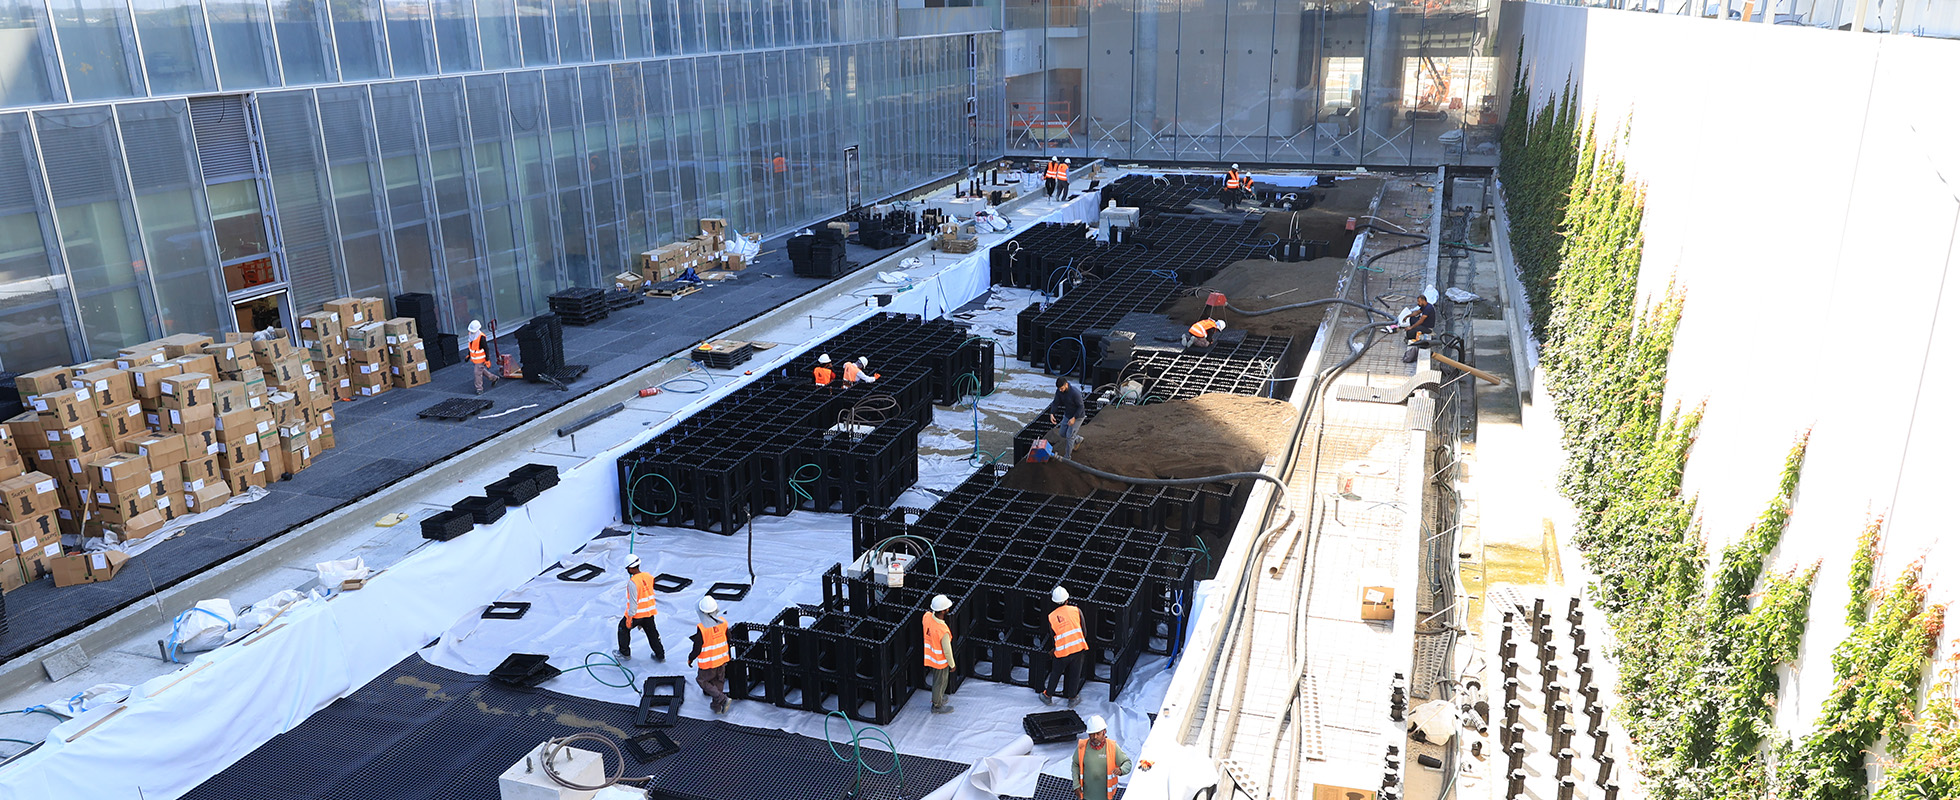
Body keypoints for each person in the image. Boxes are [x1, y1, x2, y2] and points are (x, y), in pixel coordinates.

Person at [1040, 585, 1089, 707]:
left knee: (1055, 673)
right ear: (1067, 599)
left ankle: (1047, 696)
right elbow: (1084, 630)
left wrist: (1054, 649)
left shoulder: (1051, 617)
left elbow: (1053, 636)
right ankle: (1072, 699)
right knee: (1075, 674)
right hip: (1078, 649)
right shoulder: (1076, 610)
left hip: (1061, 652)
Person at [615, 553, 666, 661]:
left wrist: (629, 619)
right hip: (649, 613)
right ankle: (660, 655)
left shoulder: (632, 583)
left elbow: (633, 604)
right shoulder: (648, 576)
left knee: (623, 628)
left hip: (637, 615)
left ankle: (625, 653)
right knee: (652, 633)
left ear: (630, 568)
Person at [688, 597, 733, 714]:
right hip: (722, 659)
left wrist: (690, 658)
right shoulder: (723, 622)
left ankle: (722, 699)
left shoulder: (702, 629)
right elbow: (729, 638)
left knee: (702, 681)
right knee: (718, 682)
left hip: (709, 663)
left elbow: (697, 648)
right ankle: (716, 707)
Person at [1071, 715, 1133, 800]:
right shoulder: (1082, 747)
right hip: (1086, 796)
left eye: (1098, 733)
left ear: (1104, 732)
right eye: (1092, 734)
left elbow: (1127, 762)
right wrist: (1076, 785)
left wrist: (1121, 770)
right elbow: (1075, 764)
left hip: (1106, 797)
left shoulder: (1112, 747)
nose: (1095, 737)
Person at [923, 594, 956, 714]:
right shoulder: (943, 630)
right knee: (940, 682)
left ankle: (939, 697)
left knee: (938, 681)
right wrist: (952, 665)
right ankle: (937, 705)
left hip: (931, 657)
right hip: (940, 662)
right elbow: (947, 650)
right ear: (943, 611)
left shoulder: (927, 617)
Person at [1049, 377, 1084, 459]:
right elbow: (1055, 402)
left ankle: (1067, 457)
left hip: (1078, 416)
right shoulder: (1059, 391)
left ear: (1066, 384)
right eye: (1059, 389)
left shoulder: (1075, 393)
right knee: (1062, 433)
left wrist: (1074, 418)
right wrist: (1052, 413)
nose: (1060, 390)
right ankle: (1078, 439)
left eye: (1062, 388)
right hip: (1068, 414)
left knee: (1069, 436)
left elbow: (1081, 407)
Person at [467, 320, 498, 395]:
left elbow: (486, 349)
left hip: (480, 359)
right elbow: (471, 347)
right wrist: (469, 355)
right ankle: (494, 378)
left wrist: (487, 360)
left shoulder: (481, 338)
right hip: (475, 358)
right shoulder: (471, 335)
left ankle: (479, 388)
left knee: (477, 373)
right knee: (482, 371)